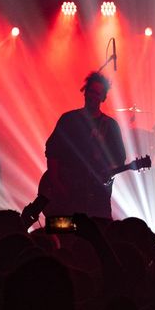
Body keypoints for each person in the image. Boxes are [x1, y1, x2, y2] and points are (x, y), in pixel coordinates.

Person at [39, 72, 126, 220]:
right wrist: (55, 182)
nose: (93, 96)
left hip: (97, 197)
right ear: (85, 92)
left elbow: (119, 159)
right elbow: (53, 150)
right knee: (64, 234)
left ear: (103, 98)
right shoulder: (69, 119)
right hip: (66, 195)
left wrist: (108, 170)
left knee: (99, 233)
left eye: (97, 93)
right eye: (90, 91)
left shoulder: (110, 126)